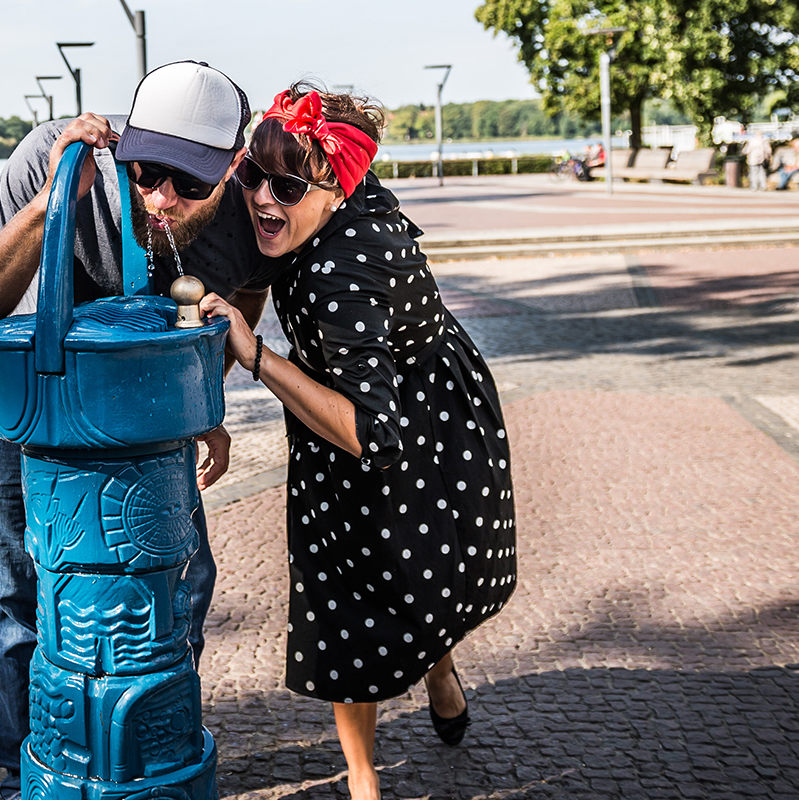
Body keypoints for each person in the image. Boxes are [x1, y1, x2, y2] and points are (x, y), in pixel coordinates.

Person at [0, 60, 285, 800]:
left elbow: (241, 302)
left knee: (179, 574)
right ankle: (22, 774)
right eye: (146, 169)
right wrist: (55, 199)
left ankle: (147, 748)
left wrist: (204, 408)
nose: (160, 197)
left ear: (232, 164)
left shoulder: (248, 214)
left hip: (131, 398)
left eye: (188, 181)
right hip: (10, 386)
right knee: (13, 587)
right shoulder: (54, 156)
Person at [199, 84, 517, 800]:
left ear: (336, 193)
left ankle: (406, 718)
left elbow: (367, 431)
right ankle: (372, 768)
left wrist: (254, 356)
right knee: (367, 593)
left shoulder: (337, 275)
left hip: (395, 419)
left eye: (286, 186)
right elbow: (260, 263)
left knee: (368, 593)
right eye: (252, 173)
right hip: (411, 393)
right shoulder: (340, 190)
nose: (261, 200)